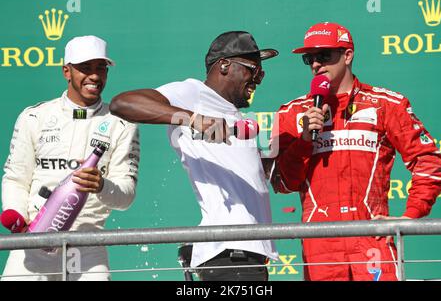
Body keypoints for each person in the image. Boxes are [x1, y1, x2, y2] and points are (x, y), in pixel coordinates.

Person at [270, 22, 441, 281]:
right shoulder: (292, 113)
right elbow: (283, 183)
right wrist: (305, 140)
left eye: (324, 56)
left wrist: (409, 218)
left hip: (372, 239)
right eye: (310, 58)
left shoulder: (388, 104)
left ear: (348, 55)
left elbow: (427, 160)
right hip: (320, 246)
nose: (316, 64)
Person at [110, 31, 278, 281]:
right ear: (224, 65)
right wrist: (193, 119)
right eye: (253, 70)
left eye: (261, 73)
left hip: (247, 256)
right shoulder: (195, 93)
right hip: (229, 256)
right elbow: (122, 103)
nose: (258, 79)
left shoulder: (232, 114)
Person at [1, 35, 140, 281]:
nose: (95, 76)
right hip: (34, 240)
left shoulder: (122, 124)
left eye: (101, 68)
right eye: (85, 68)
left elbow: (126, 195)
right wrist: (18, 216)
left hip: (88, 243)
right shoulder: (34, 117)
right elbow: (15, 178)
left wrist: (101, 185)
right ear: (67, 71)